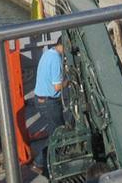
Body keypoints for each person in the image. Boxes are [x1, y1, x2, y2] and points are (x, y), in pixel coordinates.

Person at [31, 36, 68, 174]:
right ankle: (40, 162)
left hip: (39, 99)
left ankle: (49, 160)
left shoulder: (47, 53)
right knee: (58, 132)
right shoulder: (56, 59)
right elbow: (58, 86)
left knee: (55, 130)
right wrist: (68, 81)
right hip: (49, 102)